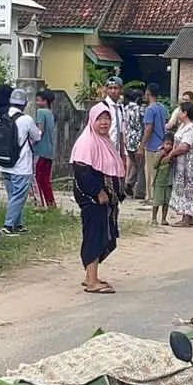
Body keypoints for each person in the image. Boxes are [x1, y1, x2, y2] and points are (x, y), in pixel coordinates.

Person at [71, 104, 124, 294]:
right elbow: (82, 172)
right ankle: (92, 282)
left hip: (103, 201)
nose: (104, 122)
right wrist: (98, 192)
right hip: (92, 200)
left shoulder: (104, 140)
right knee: (94, 235)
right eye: (100, 118)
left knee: (101, 234)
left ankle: (90, 277)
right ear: (92, 120)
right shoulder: (87, 142)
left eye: (107, 118)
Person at [0, 89, 41, 235]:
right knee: (18, 196)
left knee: (13, 196)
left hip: (4, 164)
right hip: (21, 166)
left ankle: (18, 224)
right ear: (24, 104)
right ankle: (8, 225)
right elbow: (37, 137)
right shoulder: (27, 120)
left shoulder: (1, 118)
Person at [167, 103, 193, 227]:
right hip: (181, 165)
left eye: (180, 111)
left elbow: (185, 146)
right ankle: (186, 216)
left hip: (188, 165)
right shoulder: (182, 126)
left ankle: (187, 216)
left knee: (188, 188)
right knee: (182, 187)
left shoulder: (191, 128)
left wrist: (171, 154)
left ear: (185, 113)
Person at [141, 87, 168, 206]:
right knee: (158, 173)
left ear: (148, 94)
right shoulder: (162, 108)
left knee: (150, 172)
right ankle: (158, 196)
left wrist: (142, 145)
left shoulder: (149, 109)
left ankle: (151, 197)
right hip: (162, 143)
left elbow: (148, 128)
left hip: (152, 145)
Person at [32, 90, 57, 207]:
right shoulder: (50, 113)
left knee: (37, 178)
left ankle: (41, 203)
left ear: (45, 101)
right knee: (46, 179)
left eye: (38, 100)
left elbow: (39, 131)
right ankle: (51, 203)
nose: (37, 102)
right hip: (49, 151)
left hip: (40, 150)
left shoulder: (41, 112)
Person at [150, 128, 176, 226]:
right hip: (159, 181)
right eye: (167, 144)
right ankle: (154, 218)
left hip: (168, 182)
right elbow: (155, 165)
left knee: (166, 202)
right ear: (163, 143)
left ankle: (164, 219)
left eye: (170, 144)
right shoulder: (159, 152)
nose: (168, 146)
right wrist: (161, 156)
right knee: (156, 201)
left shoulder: (173, 154)